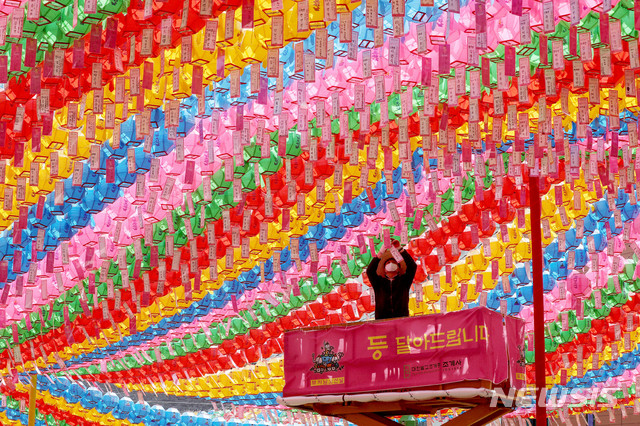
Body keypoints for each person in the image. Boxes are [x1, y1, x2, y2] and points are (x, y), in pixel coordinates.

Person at [365, 240, 417, 320]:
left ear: (399, 269)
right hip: (382, 321)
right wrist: (381, 251)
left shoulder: (404, 281)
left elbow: (412, 266)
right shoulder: (379, 283)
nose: (391, 264)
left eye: (394, 262)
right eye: (388, 262)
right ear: (384, 269)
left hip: (401, 319)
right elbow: (370, 270)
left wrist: (400, 248)